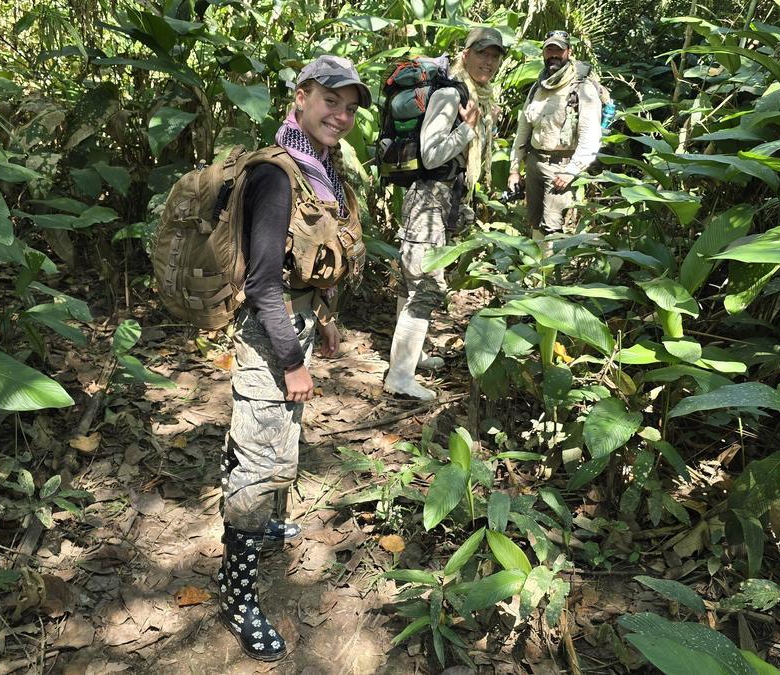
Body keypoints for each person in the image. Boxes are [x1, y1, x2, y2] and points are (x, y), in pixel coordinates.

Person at [216, 55, 368, 661]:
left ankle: (268, 524)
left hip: (297, 322)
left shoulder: (319, 170)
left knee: (280, 435)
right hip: (270, 333)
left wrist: (324, 319)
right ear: (300, 98)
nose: (342, 116)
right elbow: (261, 283)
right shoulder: (279, 175)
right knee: (258, 460)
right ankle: (238, 594)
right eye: (332, 102)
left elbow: (307, 259)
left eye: (351, 108)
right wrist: (291, 361)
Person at [384, 26, 507, 400]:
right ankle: (399, 378)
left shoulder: (474, 95)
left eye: (495, 55)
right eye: (481, 53)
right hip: (427, 199)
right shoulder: (450, 94)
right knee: (424, 284)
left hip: (442, 200)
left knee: (413, 282)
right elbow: (432, 153)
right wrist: (467, 130)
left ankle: (410, 357)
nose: (488, 61)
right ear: (465, 54)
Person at [507, 30, 603, 239]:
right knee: (533, 222)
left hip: (561, 167)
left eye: (558, 50)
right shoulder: (537, 87)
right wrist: (515, 169)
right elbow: (523, 130)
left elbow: (590, 135)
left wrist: (571, 171)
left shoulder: (582, 87)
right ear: (543, 53)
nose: (553, 55)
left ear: (568, 52)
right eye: (549, 49)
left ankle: (549, 270)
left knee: (552, 227)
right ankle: (537, 269)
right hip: (534, 163)